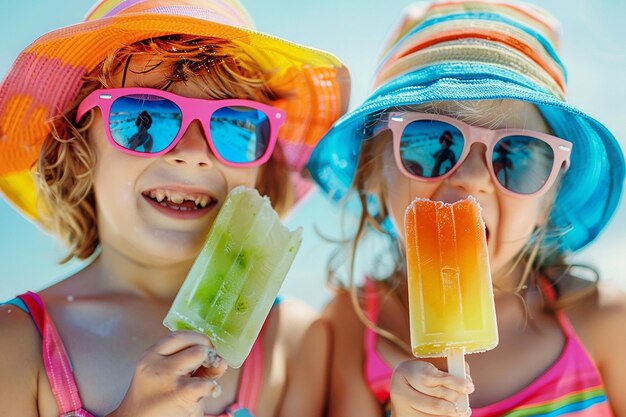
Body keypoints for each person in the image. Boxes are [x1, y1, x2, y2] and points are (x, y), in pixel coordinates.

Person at [0, 0, 349, 416]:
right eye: (145, 117)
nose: (194, 154)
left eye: (234, 125)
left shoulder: (292, 342)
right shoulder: (17, 345)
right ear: (77, 149)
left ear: (262, 162)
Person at [307, 0, 626, 416]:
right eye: (431, 141)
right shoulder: (351, 329)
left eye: (517, 156)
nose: (473, 178)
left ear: (549, 200)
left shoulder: (605, 324)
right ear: (372, 173)